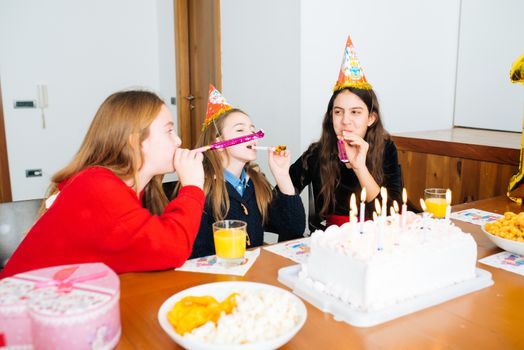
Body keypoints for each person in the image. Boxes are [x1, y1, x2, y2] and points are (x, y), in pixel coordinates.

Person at [0, 90, 205, 278]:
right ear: (134, 141)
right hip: (16, 308)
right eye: (169, 131)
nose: (178, 141)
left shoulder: (129, 189)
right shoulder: (98, 187)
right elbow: (172, 248)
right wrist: (193, 187)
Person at [289, 36, 402, 228]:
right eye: (338, 112)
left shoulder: (386, 149)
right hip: (329, 243)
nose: (345, 121)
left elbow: (393, 213)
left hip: (376, 239)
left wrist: (360, 167)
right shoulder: (316, 153)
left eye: (355, 112)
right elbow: (278, 208)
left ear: (371, 118)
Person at [187, 85, 305, 258]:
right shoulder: (202, 187)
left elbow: (293, 229)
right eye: (240, 130)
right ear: (218, 143)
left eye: (252, 129)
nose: (252, 135)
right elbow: (196, 252)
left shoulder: (256, 183)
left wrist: (282, 175)